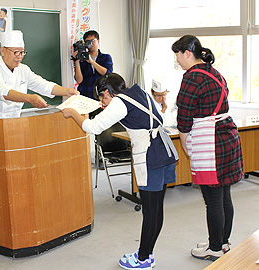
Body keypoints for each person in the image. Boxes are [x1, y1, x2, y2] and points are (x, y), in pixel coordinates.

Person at [62, 72, 178, 270]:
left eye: (102, 97)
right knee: (156, 209)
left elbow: (93, 127)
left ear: (107, 92)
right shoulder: (137, 91)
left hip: (151, 157)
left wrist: (73, 112)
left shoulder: (119, 102)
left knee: (150, 212)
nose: (102, 101)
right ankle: (147, 254)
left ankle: (143, 259)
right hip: (164, 152)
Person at [171, 35, 244, 261]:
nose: (178, 62)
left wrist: (184, 140)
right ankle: (222, 242)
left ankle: (214, 248)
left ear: (187, 53)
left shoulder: (192, 77)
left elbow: (184, 114)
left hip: (209, 142)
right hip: (228, 135)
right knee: (224, 196)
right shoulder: (213, 71)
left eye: (178, 56)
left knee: (212, 199)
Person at [0, 30, 78, 123]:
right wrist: (30, 98)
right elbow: (4, 92)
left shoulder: (23, 69)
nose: (19, 56)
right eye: (15, 52)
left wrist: (67, 91)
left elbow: (44, 85)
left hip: (12, 126)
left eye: (22, 52)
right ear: (3, 51)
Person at [72, 30, 113, 101]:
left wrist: (91, 61)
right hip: (85, 94)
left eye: (93, 40)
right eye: (88, 41)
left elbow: (106, 72)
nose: (91, 43)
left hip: (102, 95)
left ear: (98, 41)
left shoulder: (106, 57)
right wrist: (77, 61)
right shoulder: (82, 59)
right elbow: (79, 80)